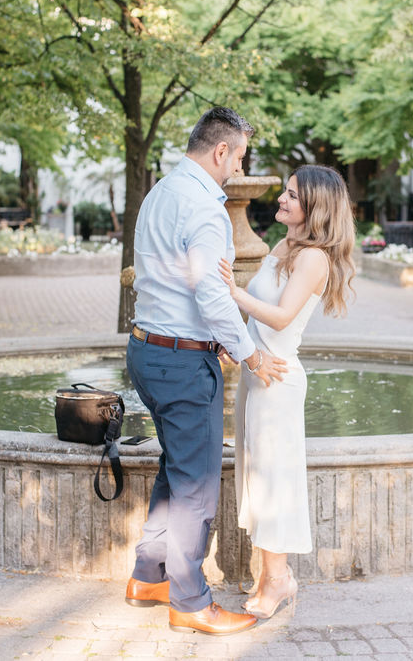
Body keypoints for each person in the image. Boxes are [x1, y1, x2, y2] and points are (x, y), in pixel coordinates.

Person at [124, 106, 288, 636]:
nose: (239, 169)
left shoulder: (161, 193)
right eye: (239, 157)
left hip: (147, 349)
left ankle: (149, 576)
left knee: (176, 468)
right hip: (179, 361)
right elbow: (212, 292)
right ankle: (191, 603)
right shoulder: (204, 207)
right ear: (221, 151)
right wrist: (249, 353)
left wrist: (213, 339)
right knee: (196, 484)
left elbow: (171, 284)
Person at [218, 164, 356, 619]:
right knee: (257, 477)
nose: (281, 198)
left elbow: (279, 317)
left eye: (292, 195)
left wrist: (231, 290)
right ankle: (269, 575)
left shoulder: (315, 257)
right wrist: (235, 346)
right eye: (285, 191)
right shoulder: (285, 245)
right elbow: (259, 319)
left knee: (273, 479)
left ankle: (279, 579)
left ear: (313, 206)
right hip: (259, 373)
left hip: (277, 380)